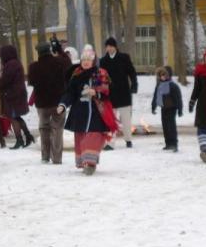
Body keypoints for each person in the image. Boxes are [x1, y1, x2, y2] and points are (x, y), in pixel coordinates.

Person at [57, 45, 119, 175]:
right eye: (83, 59)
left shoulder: (101, 73)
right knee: (81, 137)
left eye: (88, 60)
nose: (85, 62)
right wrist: (63, 104)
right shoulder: (76, 74)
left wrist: (96, 92)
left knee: (93, 136)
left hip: (96, 112)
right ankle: (84, 161)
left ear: (93, 61)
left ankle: (90, 164)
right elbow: (70, 93)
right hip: (80, 112)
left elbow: (109, 91)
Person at [28, 42, 69, 164]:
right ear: (50, 50)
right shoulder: (59, 63)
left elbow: (31, 82)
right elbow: (68, 71)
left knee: (44, 128)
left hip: (42, 103)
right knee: (57, 128)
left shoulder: (33, 67)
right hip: (58, 102)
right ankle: (57, 158)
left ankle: (45, 156)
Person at [99, 37, 138, 149]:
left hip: (124, 93)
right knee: (111, 120)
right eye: (107, 46)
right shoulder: (103, 61)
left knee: (126, 119)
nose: (109, 48)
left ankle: (128, 140)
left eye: (111, 46)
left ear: (115, 47)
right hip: (110, 95)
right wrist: (100, 90)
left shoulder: (124, 58)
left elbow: (132, 72)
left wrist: (134, 85)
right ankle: (110, 142)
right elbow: (101, 77)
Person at [0, 45, 33, 149]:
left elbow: (6, 80)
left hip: (12, 95)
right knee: (17, 117)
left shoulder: (10, 65)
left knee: (13, 118)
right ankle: (28, 136)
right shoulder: (16, 63)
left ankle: (19, 140)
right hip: (18, 94)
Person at [151, 66, 183, 152]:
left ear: (169, 75)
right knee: (165, 126)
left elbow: (178, 98)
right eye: (161, 75)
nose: (163, 77)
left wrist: (180, 109)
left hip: (172, 108)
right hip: (163, 108)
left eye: (165, 75)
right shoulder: (159, 85)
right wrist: (153, 107)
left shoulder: (173, 86)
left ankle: (174, 144)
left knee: (171, 126)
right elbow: (155, 97)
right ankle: (168, 143)